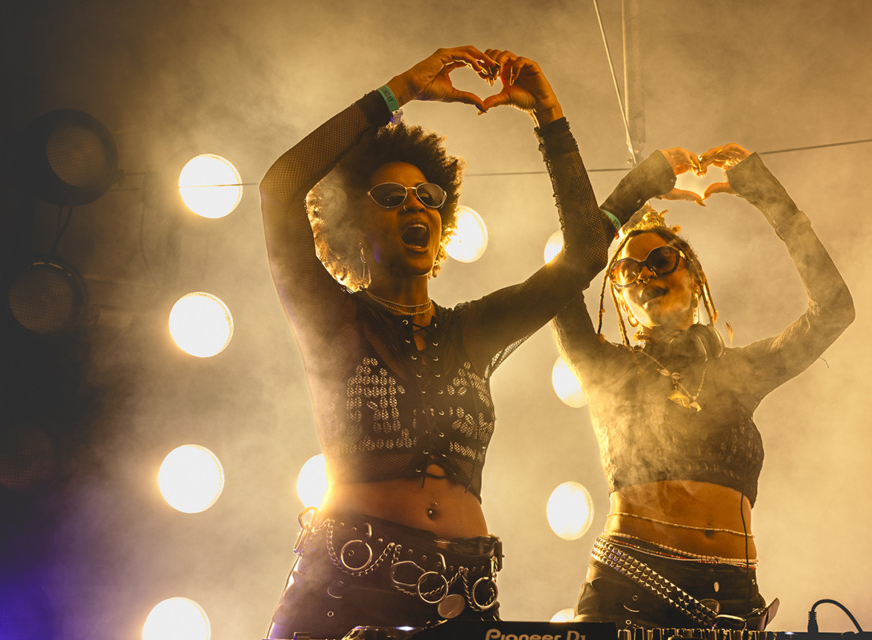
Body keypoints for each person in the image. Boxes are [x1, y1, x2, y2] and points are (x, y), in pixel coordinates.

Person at [259, 46, 617, 639]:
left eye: (428, 197)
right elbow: (280, 188)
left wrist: (548, 115)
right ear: (355, 225)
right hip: (347, 591)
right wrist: (397, 91)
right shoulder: (333, 317)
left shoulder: (470, 332)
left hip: (463, 594)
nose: (415, 206)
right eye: (392, 199)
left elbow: (583, 252)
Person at [553, 143, 855, 630]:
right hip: (628, 590)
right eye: (628, 272)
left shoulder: (739, 371)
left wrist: (766, 194)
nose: (643, 274)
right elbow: (563, 279)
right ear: (623, 303)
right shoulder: (605, 367)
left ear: (694, 278)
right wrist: (638, 187)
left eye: (661, 261)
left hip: (732, 595)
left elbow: (834, 310)